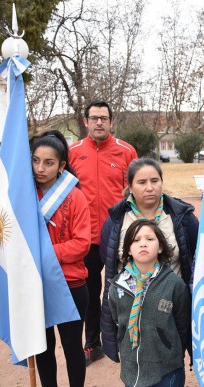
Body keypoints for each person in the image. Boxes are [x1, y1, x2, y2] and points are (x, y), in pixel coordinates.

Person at [99, 157, 198, 387]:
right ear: (129, 186)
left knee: (171, 362)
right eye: (141, 182)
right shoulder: (117, 220)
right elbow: (108, 261)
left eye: (155, 180)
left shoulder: (180, 216)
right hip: (133, 308)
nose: (149, 187)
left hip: (171, 305)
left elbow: (198, 252)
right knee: (138, 359)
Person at [108, 219, 190, 387]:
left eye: (150, 239)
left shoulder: (174, 284)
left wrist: (170, 346)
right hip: (133, 364)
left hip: (167, 364)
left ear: (161, 247)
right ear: (128, 250)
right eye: (136, 240)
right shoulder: (118, 287)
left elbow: (182, 322)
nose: (143, 244)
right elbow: (117, 320)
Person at [27, 130, 91, 387]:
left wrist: (44, 252)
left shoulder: (75, 196)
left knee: (71, 346)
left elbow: (82, 244)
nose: (41, 168)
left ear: (61, 166)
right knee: (42, 345)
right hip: (34, 285)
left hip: (71, 284)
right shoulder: (25, 196)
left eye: (49, 163)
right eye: (36, 161)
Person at [69, 100, 138, 366]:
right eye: (94, 118)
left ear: (111, 122)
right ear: (85, 121)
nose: (99, 122)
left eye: (104, 118)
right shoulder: (73, 152)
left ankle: (126, 338)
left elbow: (136, 189)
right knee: (89, 293)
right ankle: (92, 344)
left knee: (120, 290)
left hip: (117, 235)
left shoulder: (126, 151)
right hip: (84, 238)